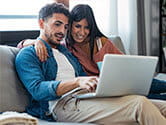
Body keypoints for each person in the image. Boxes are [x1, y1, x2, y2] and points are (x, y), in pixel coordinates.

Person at [15, 3, 166, 125]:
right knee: (139, 104)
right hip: (62, 105)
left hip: (87, 97)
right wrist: (77, 82)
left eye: (66, 26)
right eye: (57, 24)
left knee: (162, 106)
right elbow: (37, 89)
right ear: (41, 23)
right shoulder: (29, 53)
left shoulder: (66, 51)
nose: (62, 31)